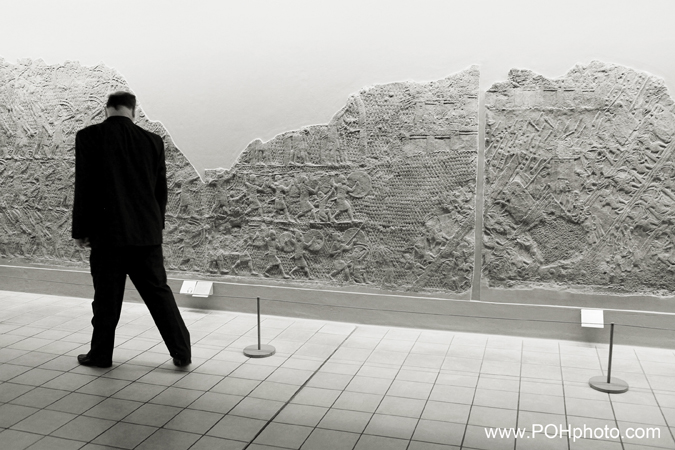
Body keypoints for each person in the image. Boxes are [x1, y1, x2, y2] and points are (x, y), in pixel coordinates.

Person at [72, 91, 191, 368]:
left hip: (107, 235)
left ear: (107, 109)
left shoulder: (88, 137)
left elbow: (84, 187)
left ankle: (100, 354)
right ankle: (182, 352)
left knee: (105, 300)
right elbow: (160, 191)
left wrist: (80, 230)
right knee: (159, 296)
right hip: (145, 235)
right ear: (134, 111)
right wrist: (155, 226)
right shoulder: (152, 141)